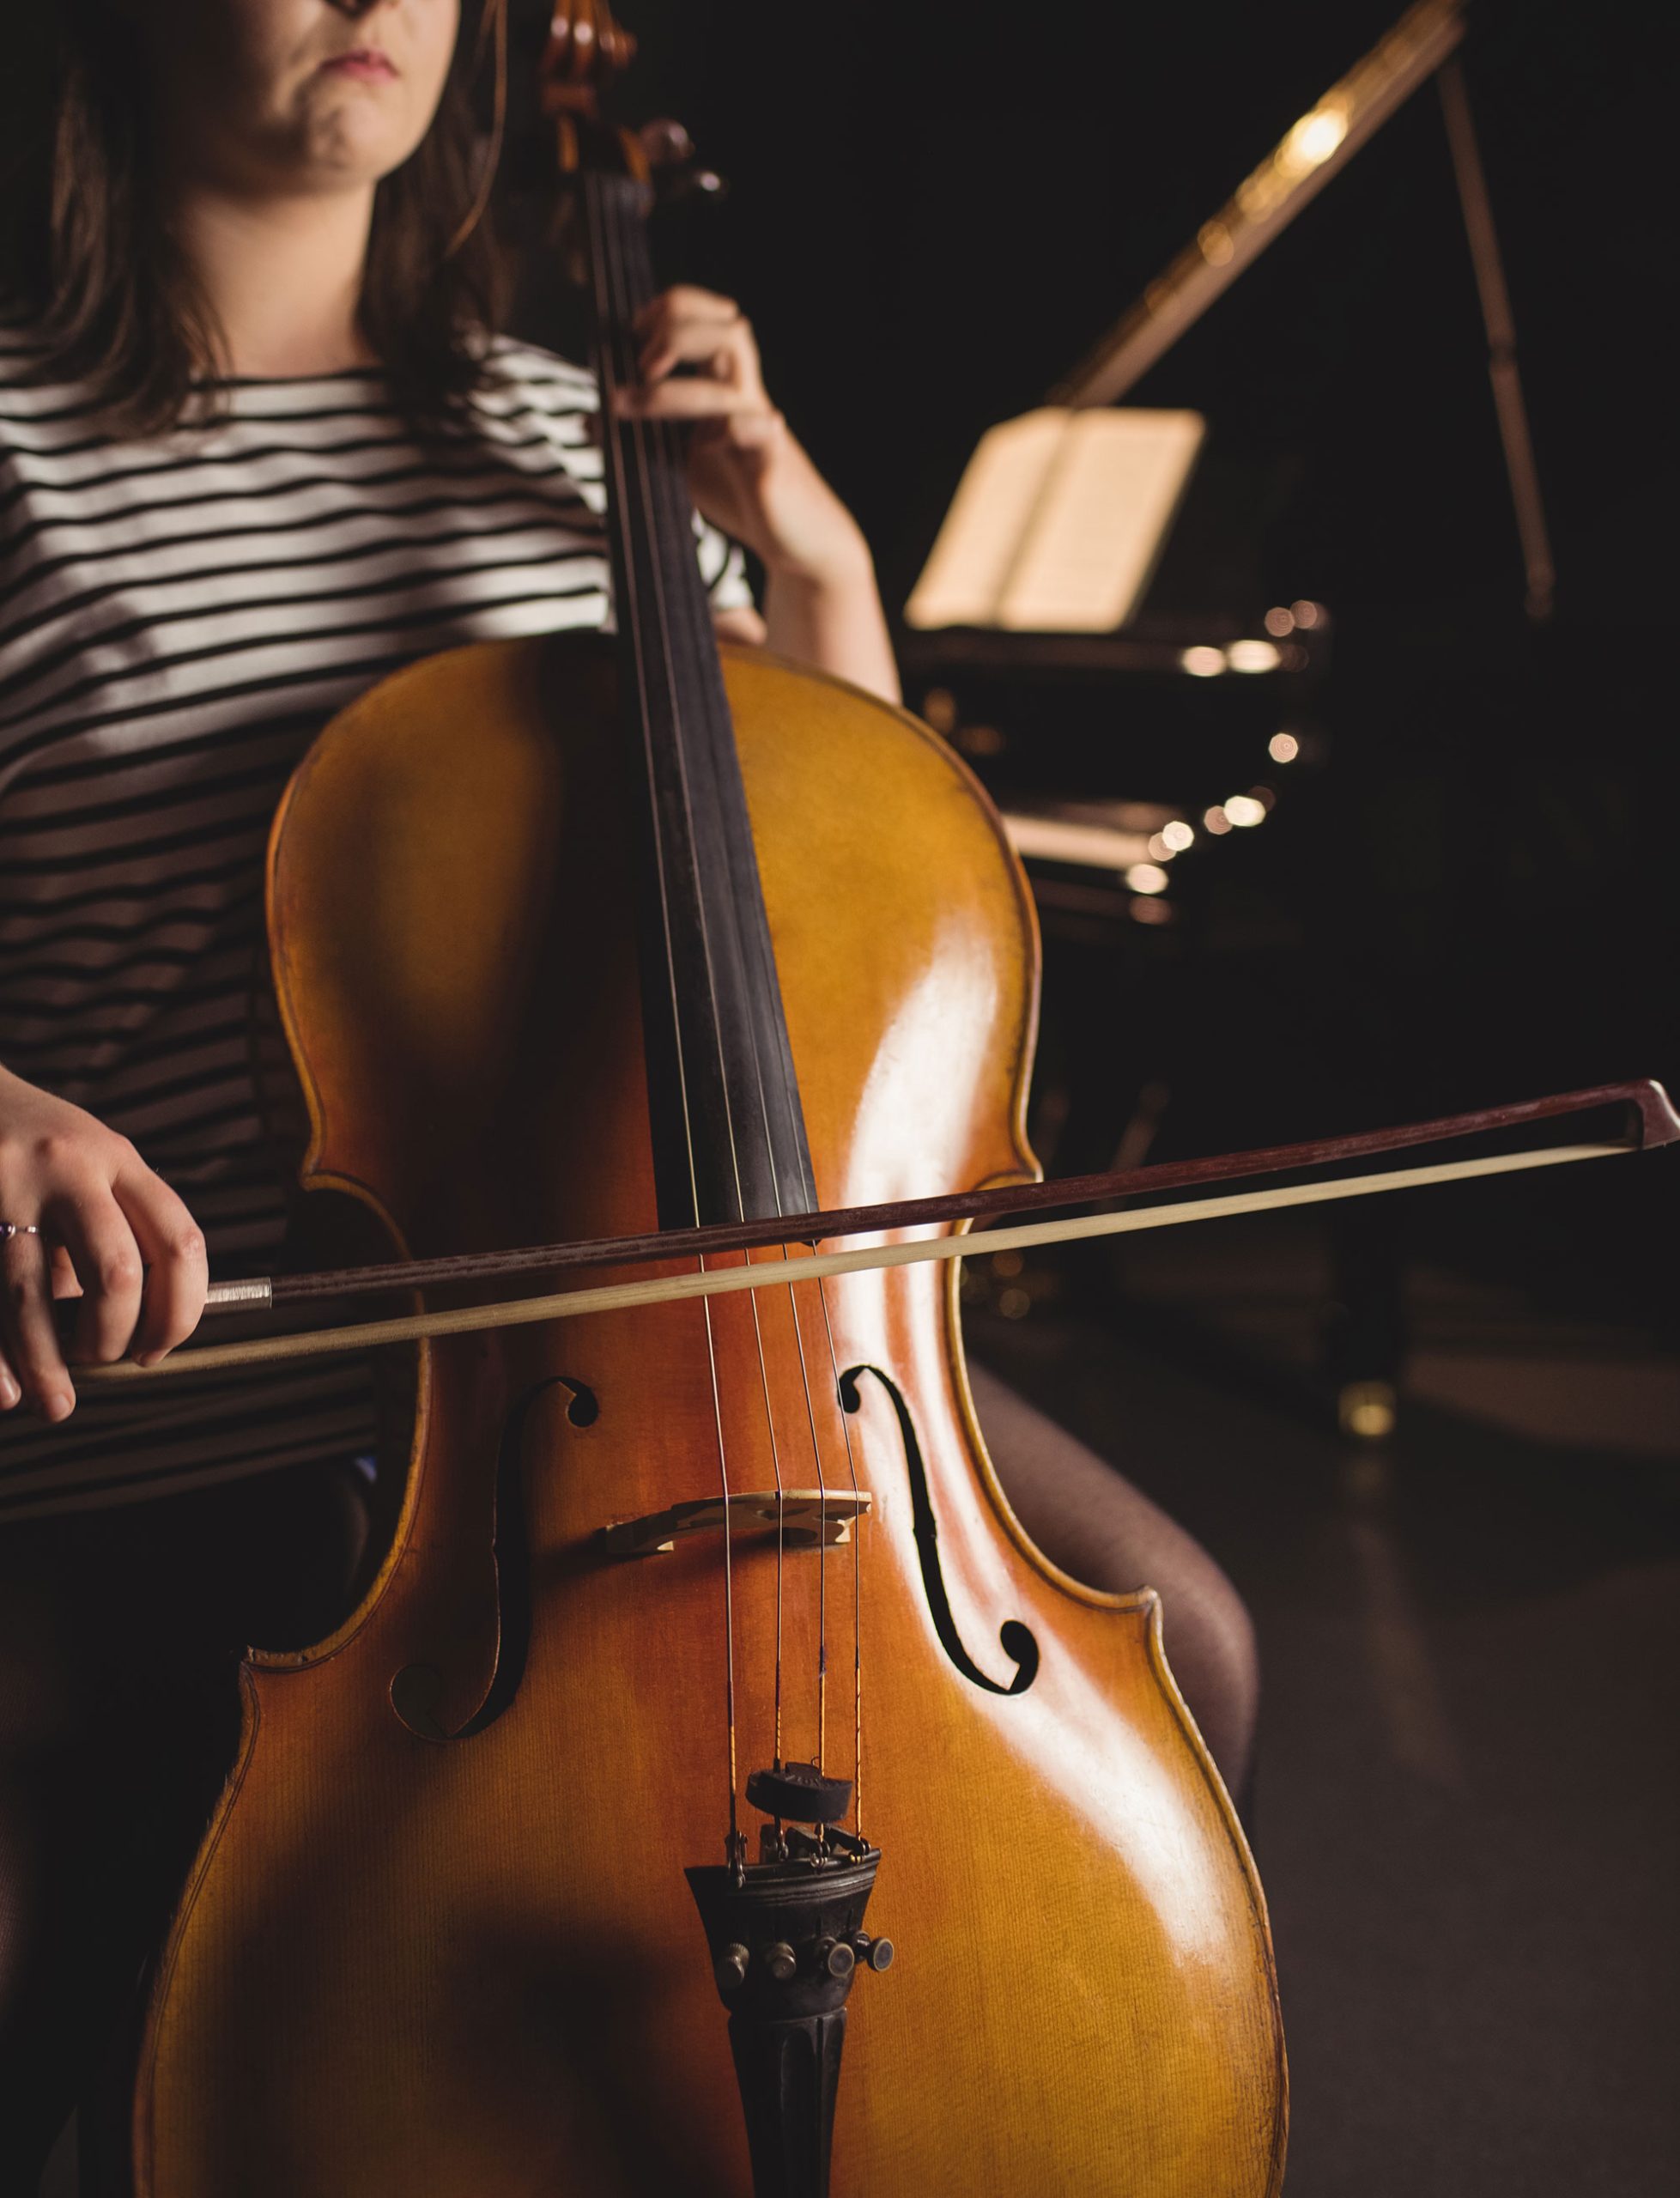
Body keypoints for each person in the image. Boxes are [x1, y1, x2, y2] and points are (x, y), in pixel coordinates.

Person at [0, 3, 1258, 2185]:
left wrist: (812, 563)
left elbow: (848, 896)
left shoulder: (562, 422)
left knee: (1182, 1651)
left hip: (649, 1328)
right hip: (192, 1362)